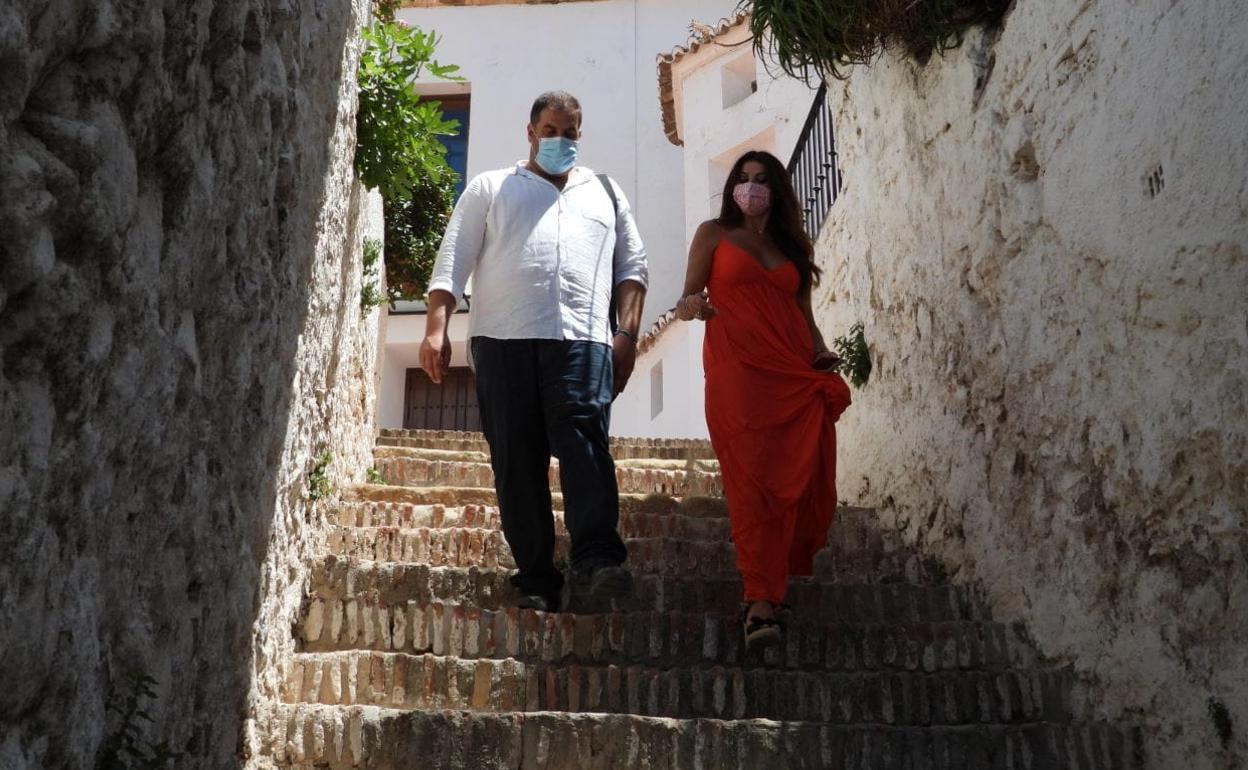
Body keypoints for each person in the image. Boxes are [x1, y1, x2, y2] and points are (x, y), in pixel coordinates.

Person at [420, 91, 648, 613]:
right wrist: (437, 328)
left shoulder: (606, 192)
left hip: (584, 341)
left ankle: (597, 559)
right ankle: (537, 577)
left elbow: (631, 267)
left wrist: (627, 337)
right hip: (503, 339)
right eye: (550, 130)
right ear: (530, 132)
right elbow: (452, 259)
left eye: (570, 133)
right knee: (516, 460)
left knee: (586, 443)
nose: (560, 141)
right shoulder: (492, 187)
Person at [675, 150, 851, 651]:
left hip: (792, 370)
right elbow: (687, 299)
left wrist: (819, 352)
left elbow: (804, 312)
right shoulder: (713, 234)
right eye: (743, 179)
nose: (750, 187)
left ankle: (774, 582)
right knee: (751, 480)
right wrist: (692, 305)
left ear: (776, 190)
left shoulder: (793, 246)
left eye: (761, 180)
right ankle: (759, 601)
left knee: (799, 477)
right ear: (732, 186)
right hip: (738, 373)